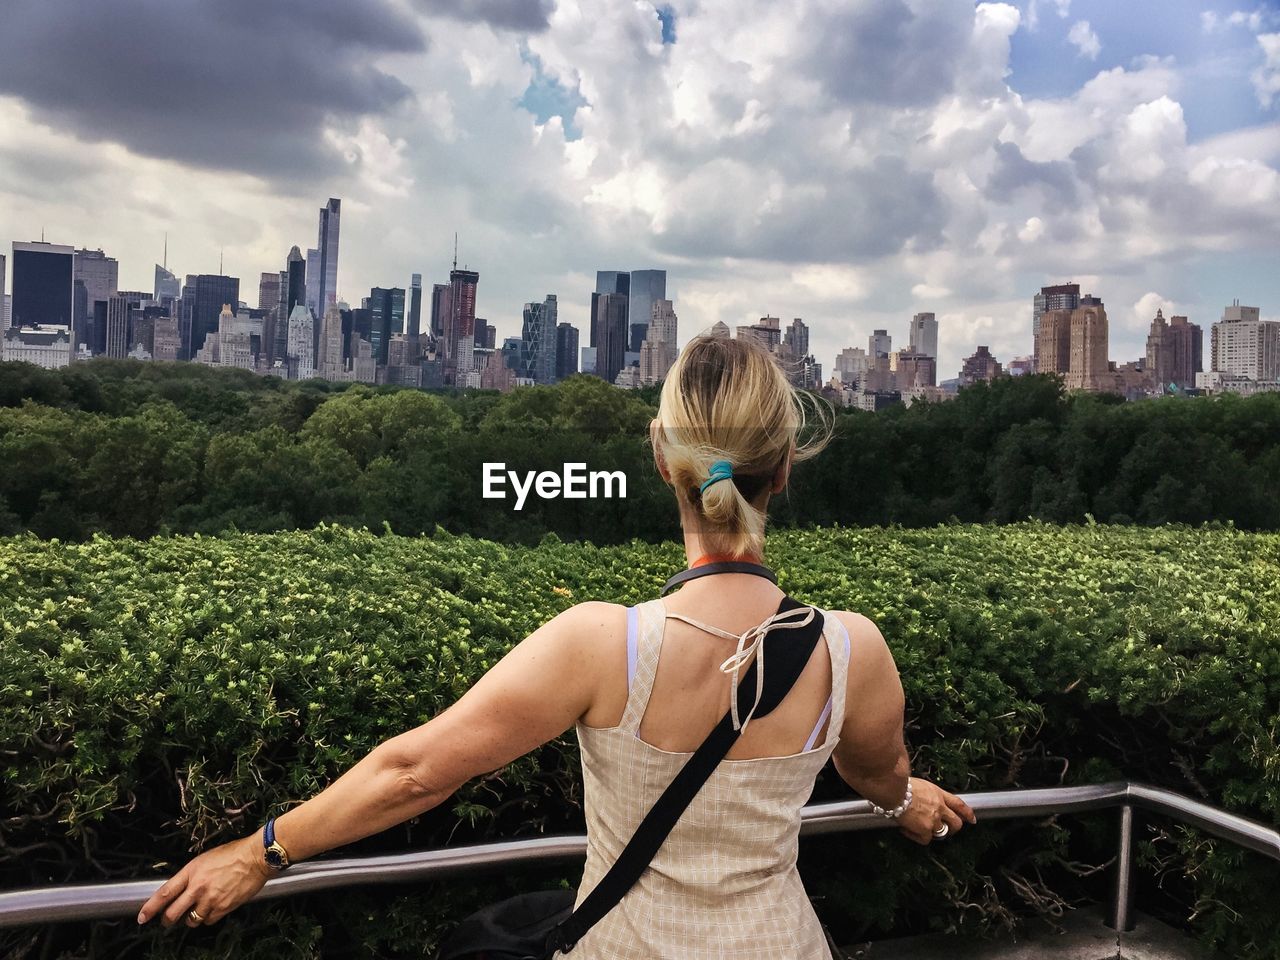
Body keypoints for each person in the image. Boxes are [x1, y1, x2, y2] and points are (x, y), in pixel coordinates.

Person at [137, 335, 977, 958]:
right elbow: (879, 775)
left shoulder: (603, 644)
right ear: (785, 467)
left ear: (661, 459)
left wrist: (259, 853)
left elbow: (416, 772)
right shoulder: (851, 650)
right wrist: (906, 804)